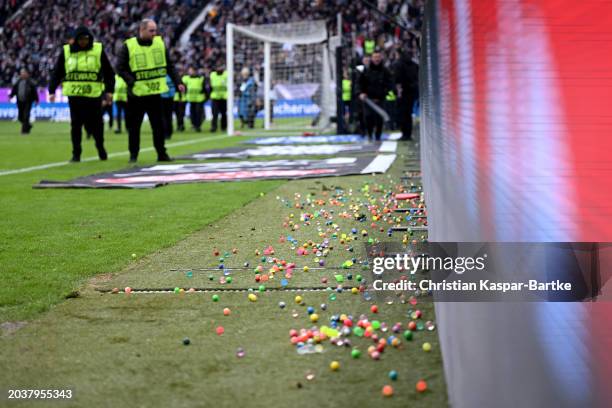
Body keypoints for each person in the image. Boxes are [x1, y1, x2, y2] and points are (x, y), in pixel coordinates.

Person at [116, 19, 184, 163]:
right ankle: (133, 155)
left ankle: (161, 154)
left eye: (155, 30)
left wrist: (178, 82)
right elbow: (120, 67)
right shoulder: (129, 46)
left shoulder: (160, 43)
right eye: (151, 30)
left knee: (158, 126)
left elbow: (170, 66)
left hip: (155, 93)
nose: (155, 33)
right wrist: (131, 82)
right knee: (135, 127)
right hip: (137, 94)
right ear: (142, 30)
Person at [48, 25, 114, 162]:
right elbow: (58, 71)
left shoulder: (98, 50)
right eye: (81, 39)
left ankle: (100, 147)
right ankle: (76, 154)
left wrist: (109, 91)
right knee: (76, 125)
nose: (84, 41)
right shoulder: (66, 51)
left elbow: (109, 72)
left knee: (97, 125)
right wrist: (52, 90)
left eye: (86, 39)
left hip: (93, 96)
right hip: (75, 96)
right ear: (76, 39)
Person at [358, 50, 392, 141]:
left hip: (380, 99)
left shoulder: (385, 71)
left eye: (378, 57)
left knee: (379, 119)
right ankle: (369, 135)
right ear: (372, 58)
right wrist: (361, 93)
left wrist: (384, 93)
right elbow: (360, 83)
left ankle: (378, 136)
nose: (377, 59)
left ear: (381, 58)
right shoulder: (366, 70)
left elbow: (389, 84)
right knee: (368, 117)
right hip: (368, 100)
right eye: (375, 57)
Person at [394, 48, 419, 140]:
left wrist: (397, 90)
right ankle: (408, 134)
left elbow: (397, 79)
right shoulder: (414, 65)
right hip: (411, 92)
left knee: (402, 114)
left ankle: (405, 134)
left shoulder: (398, 65)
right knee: (408, 113)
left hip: (403, 92)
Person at [10, 68, 38, 134]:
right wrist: (11, 96)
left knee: (26, 116)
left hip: (28, 101)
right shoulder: (18, 81)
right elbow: (14, 89)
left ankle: (24, 131)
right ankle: (28, 126)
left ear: (27, 74)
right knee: (20, 117)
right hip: (19, 101)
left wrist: (36, 99)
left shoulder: (31, 82)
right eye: (21, 73)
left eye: (24, 73)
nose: (23, 74)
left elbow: (34, 92)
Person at [182, 67, 206, 132]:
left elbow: (204, 89)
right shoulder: (186, 78)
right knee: (192, 113)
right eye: (189, 71)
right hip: (190, 98)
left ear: (195, 71)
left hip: (199, 99)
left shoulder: (201, 78)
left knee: (198, 113)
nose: (190, 72)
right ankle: (194, 125)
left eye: (191, 71)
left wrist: (205, 97)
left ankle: (198, 126)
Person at [209, 63, 227, 132]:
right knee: (214, 113)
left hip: (224, 97)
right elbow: (210, 85)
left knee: (223, 113)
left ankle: (224, 127)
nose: (219, 68)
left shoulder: (226, 75)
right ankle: (214, 127)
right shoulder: (212, 75)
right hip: (215, 97)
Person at [160, 74, 176, 139]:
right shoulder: (171, 76)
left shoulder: (161, 76)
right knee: (168, 116)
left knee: (164, 116)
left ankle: (166, 132)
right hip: (169, 98)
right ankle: (168, 132)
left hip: (164, 98)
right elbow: (173, 88)